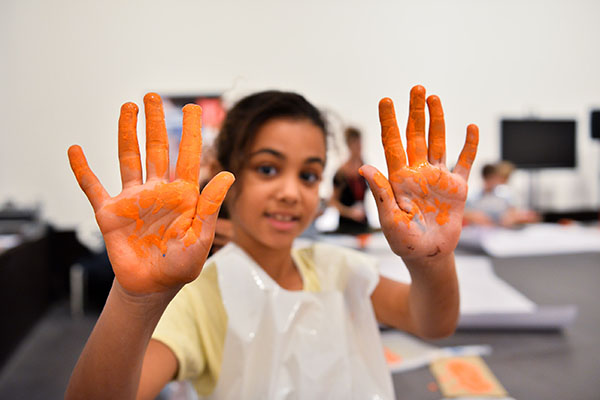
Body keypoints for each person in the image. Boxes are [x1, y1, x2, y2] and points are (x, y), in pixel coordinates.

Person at [65, 85, 479, 399]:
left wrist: (432, 260)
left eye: (309, 175)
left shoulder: (335, 269)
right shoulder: (202, 295)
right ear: (225, 174)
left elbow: (433, 323)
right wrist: (136, 299)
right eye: (267, 168)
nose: (290, 192)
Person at [464, 161, 540, 227]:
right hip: (479, 231)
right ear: (484, 177)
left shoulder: (505, 195)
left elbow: (513, 212)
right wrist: (474, 216)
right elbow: (464, 213)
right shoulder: (472, 197)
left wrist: (512, 217)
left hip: (501, 231)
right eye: (489, 178)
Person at [331, 127, 370, 234]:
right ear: (349, 145)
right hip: (346, 226)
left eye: (360, 143)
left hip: (362, 224)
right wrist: (350, 213)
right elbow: (333, 201)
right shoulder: (341, 173)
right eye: (356, 144)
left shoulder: (364, 169)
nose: (359, 147)